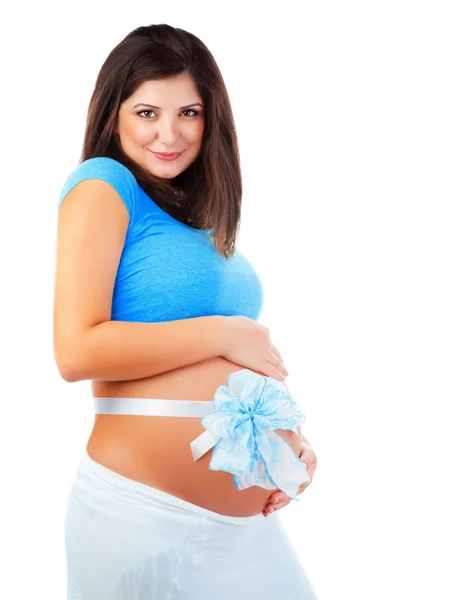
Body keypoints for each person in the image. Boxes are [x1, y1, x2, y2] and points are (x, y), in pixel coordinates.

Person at [54, 23, 318, 599]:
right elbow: (76, 351)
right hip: (141, 518)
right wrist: (222, 332)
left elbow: (240, 364)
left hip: (248, 529)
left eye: (189, 112)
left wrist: (289, 438)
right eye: (147, 111)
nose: (169, 133)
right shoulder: (102, 186)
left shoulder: (199, 218)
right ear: (113, 114)